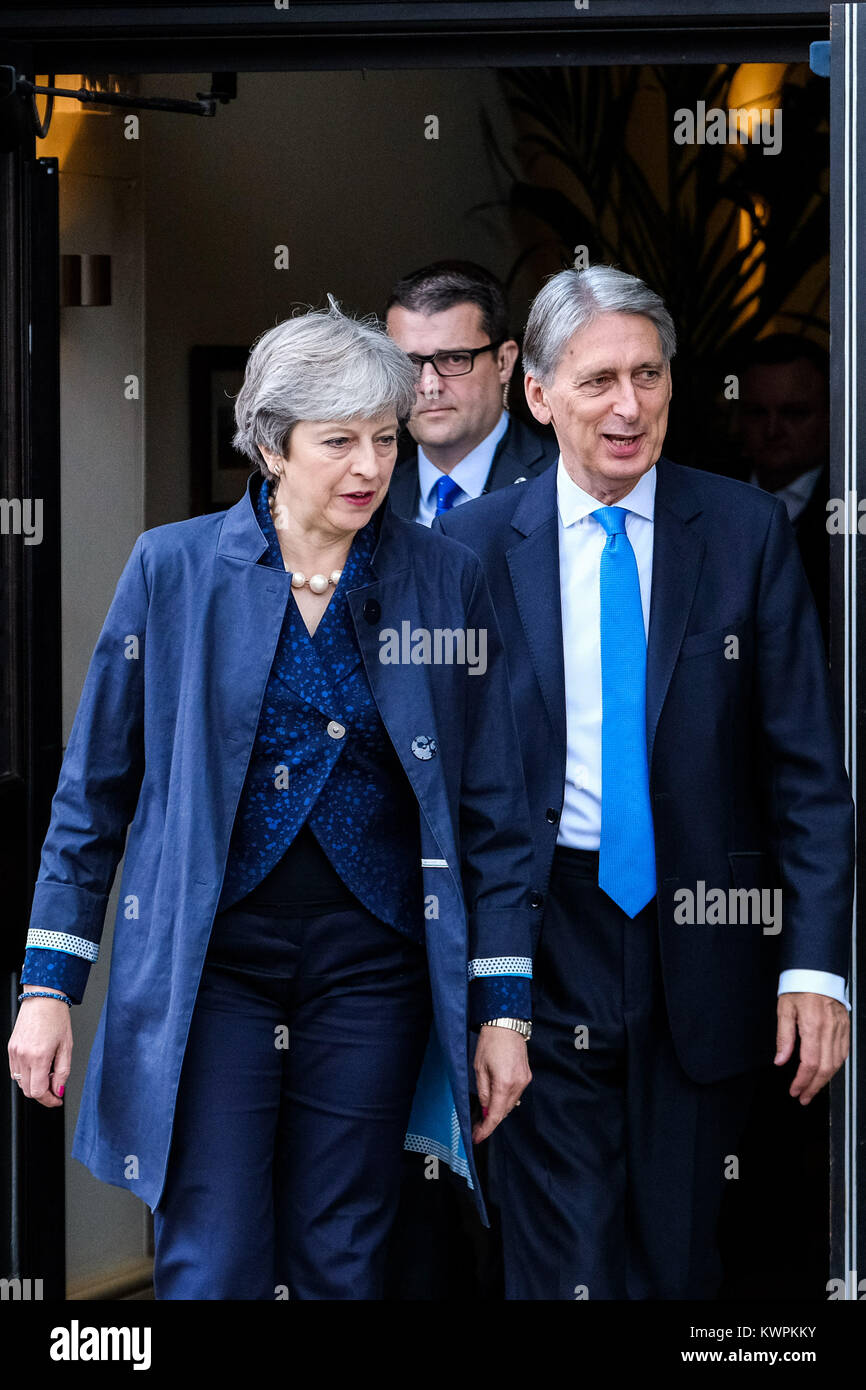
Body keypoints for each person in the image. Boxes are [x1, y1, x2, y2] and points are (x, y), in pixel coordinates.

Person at [7, 298, 536, 1300]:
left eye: (383, 438)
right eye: (338, 441)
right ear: (268, 445)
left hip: (372, 967)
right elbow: (92, 795)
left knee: (344, 1251)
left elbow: (494, 811)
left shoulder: (444, 578)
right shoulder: (173, 570)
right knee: (211, 1253)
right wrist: (47, 989)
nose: (369, 467)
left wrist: (500, 1010)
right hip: (214, 971)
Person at [436, 264, 853, 1300]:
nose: (628, 406)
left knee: (677, 1261)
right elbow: (439, 775)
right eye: (596, 381)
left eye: (649, 375)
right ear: (536, 394)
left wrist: (812, 967)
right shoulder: (472, 546)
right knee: (561, 1260)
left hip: (704, 944)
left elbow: (805, 767)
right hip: (543, 938)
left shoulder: (744, 534)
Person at [385, 260, 557, 524]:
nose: (430, 385)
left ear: (504, 361)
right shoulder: (371, 489)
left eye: (454, 359)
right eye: (409, 363)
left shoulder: (563, 478)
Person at [735, 334, 831, 639]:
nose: (773, 429)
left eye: (794, 413)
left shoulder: (851, 497)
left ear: (832, 416)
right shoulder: (707, 490)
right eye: (757, 412)